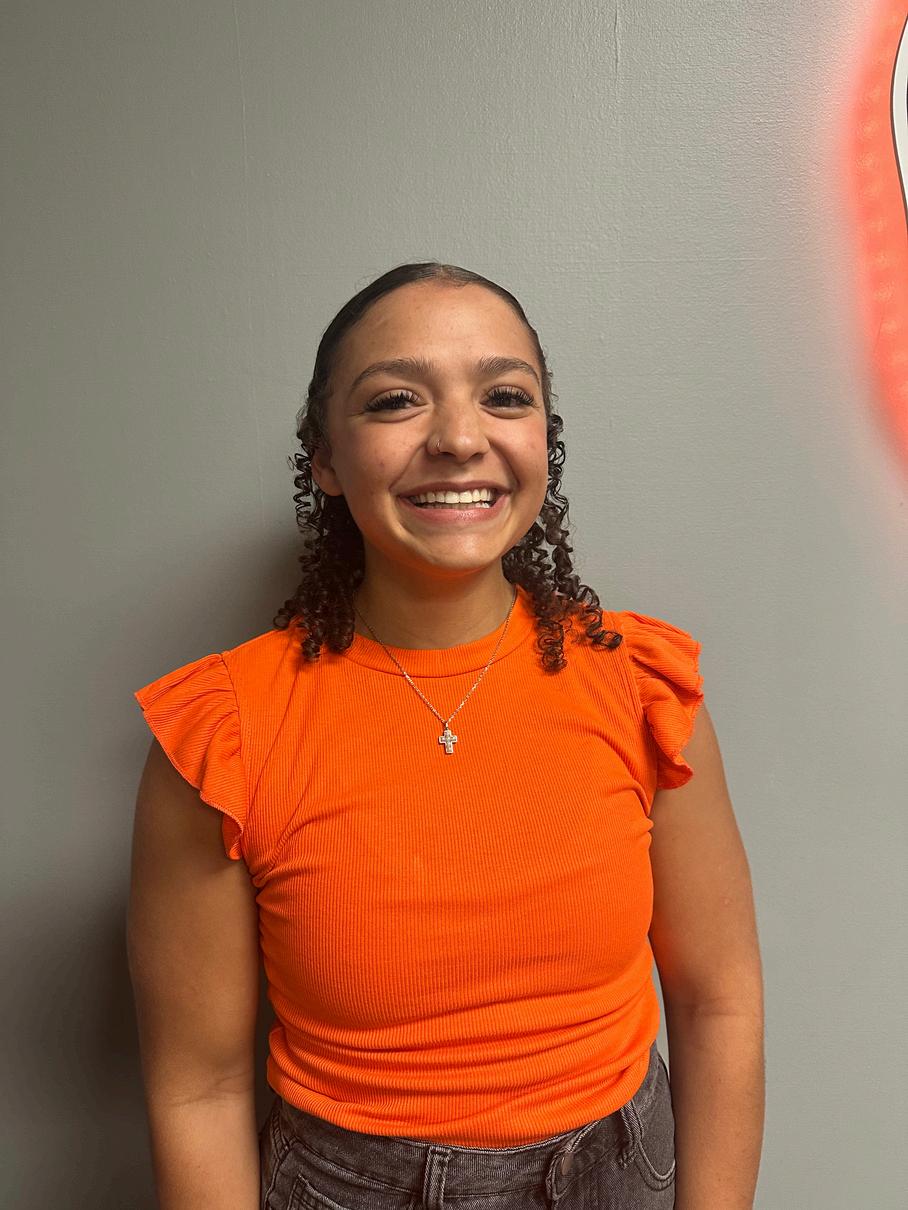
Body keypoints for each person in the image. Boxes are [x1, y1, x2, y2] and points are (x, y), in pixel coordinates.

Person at [127, 262, 765, 1209]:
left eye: (504, 396)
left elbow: (720, 1004)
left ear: (543, 439)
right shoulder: (223, 734)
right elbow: (199, 1088)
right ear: (325, 459)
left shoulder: (641, 687)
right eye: (396, 401)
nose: (461, 439)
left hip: (621, 1174)